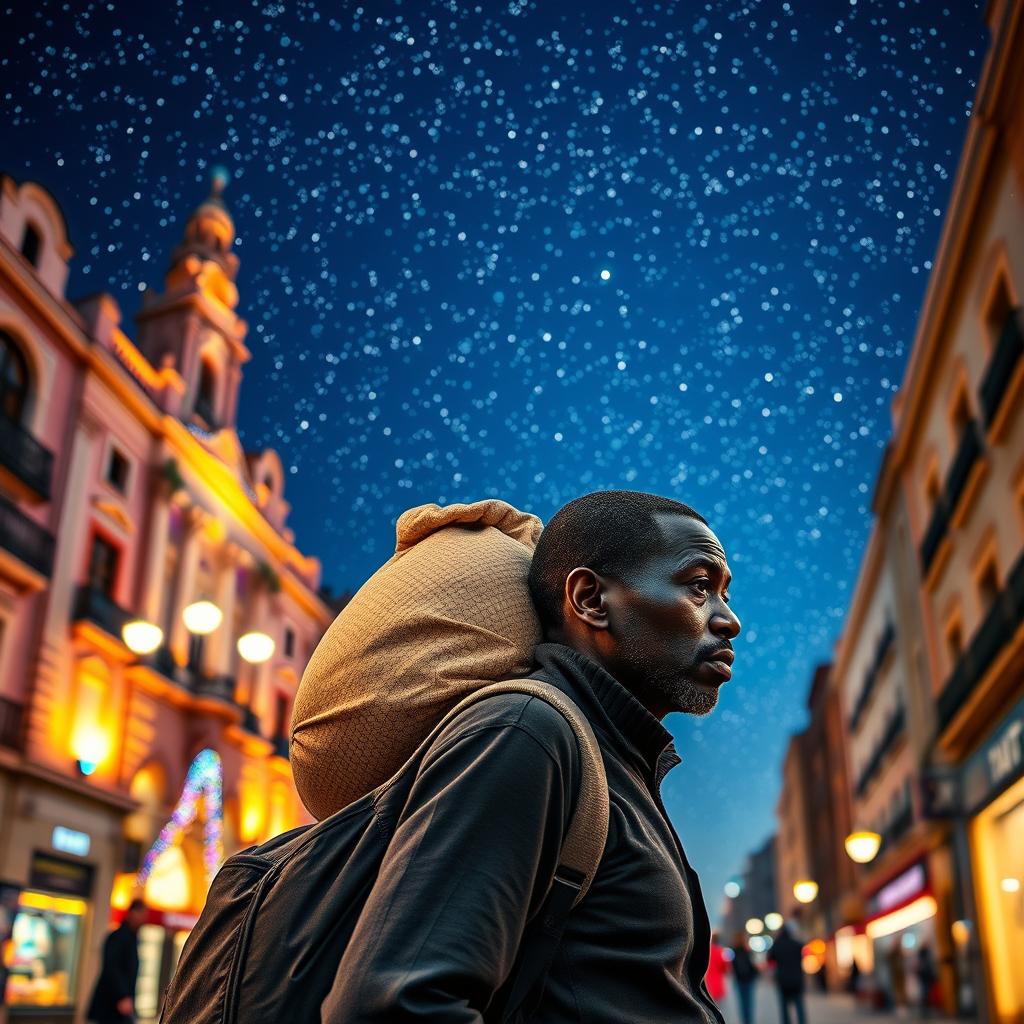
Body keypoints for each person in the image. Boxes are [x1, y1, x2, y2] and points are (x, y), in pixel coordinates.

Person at [320, 490, 741, 1021]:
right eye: (699, 587)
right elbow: (392, 1007)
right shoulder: (526, 732)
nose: (729, 620)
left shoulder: (612, 759)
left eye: (726, 594)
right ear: (590, 599)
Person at [87, 899, 146, 1024]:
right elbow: (111, 967)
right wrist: (122, 996)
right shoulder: (119, 936)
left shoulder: (130, 938)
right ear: (132, 913)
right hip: (111, 1005)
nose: (143, 919)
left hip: (118, 1006)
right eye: (141, 914)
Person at [767, 922, 806, 1024]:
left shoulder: (777, 945)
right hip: (797, 980)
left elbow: (769, 958)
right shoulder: (797, 944)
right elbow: (803, 955)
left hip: (783, 981)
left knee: (784, 1007)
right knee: (799, 1005)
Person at [730, 931, 759, 1024]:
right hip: (748, 979)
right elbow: (753, 965)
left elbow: (733, 966)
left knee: (742, 1003)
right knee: (749, 1003)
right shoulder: (747, 951)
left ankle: (745, 1020)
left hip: (739, 980)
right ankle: (748, 1021)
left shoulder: (734, 950)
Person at [915, 943, 938, 1017]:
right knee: (925, 990)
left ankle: (926, 1005)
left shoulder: (923, 955)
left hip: (925, 975)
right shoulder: (924, 955)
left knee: (925, 990)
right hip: (925, 975)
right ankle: (925, 1006)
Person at [706, 933, 729, 1004]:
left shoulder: (706, 950)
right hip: (717, 984)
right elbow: (725, 968)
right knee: (717, 1007)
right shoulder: (720, 951)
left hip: (707, 984)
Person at [887, 937, 907, 1012]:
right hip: (895, 975)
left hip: (900, 974)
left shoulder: (900, 953)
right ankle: (899, 1005)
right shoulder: (892, 954)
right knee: (897, 991)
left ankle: (902, 1005)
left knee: (901, 990)